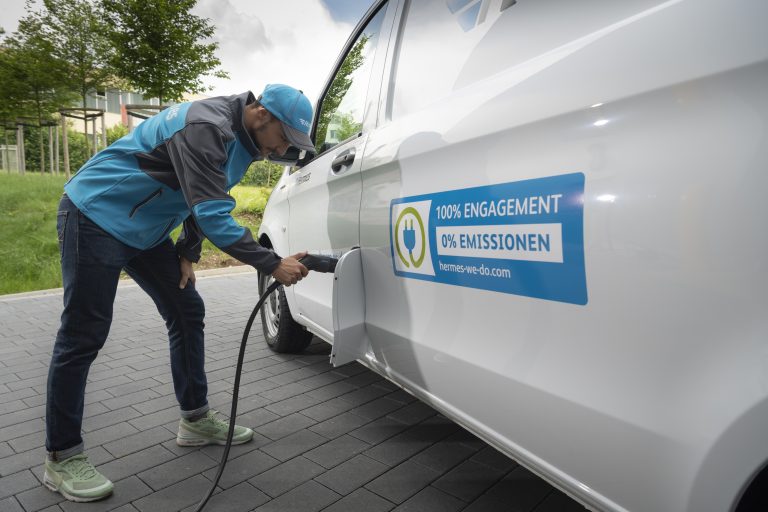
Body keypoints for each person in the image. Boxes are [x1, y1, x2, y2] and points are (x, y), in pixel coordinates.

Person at [43, 84, 314, 502]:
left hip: (145, 229)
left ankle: (195, 419)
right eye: (284, 137)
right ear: (261, 114)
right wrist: (272, 263)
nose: (282, 149)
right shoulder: (206, 126)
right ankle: (62, 457)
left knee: (186, 310)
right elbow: (212, 214)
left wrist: (187, 252)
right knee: (83, 334)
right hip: (95, 214)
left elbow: (205, 196)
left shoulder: (245, 143)